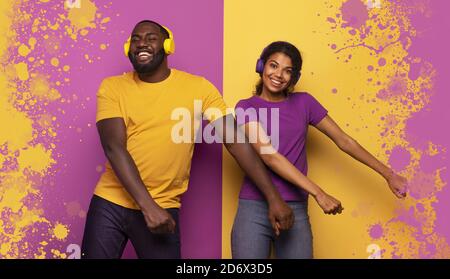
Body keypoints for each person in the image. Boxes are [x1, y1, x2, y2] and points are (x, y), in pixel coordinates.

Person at [81, 20, 295, 259]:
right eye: (136, 39)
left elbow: (236, 142)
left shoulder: (198, 88)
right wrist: (148, 207)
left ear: (168, 45)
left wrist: (274, 198)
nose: (142, 44)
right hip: (110, 203)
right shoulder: (112, 87)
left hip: (163, 204)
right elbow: (114, 147)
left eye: (151, 38)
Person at [231, 41, 407, 259]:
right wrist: (319, 193)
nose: (279, 75)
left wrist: (389, 174)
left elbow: (344, 140)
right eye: (273, 66)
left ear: (294, 77)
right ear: (261, 66)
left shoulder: (305, 103)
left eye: (288, 71)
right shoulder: (246, 107)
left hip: (295, 206)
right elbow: (270, 156)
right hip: (254, 208)